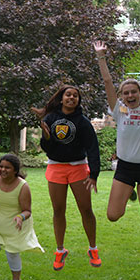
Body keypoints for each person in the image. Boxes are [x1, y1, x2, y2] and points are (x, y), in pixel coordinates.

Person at [32, 84, 101, 270]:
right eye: (68, 95)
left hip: (78, 168)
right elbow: (48, 148)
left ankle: (93, 248)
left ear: (78, 100)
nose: (71, 98)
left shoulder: (83, 122)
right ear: (61, 98)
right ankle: (60, 250)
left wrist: (93, 174)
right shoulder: (50, 118)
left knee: (86, 209)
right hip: (56, 168)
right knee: (58, 210)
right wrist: (46, 137)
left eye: (75, 96)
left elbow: (93, 148)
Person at [95, 38, 140, 225]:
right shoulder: (119, 111)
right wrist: (101, 56)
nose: (130, 95)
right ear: (121, 97)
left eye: (134, 92)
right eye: (126, 93)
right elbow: (108, 81)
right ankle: (129, 189)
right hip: (125, 168)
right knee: (113, 215)